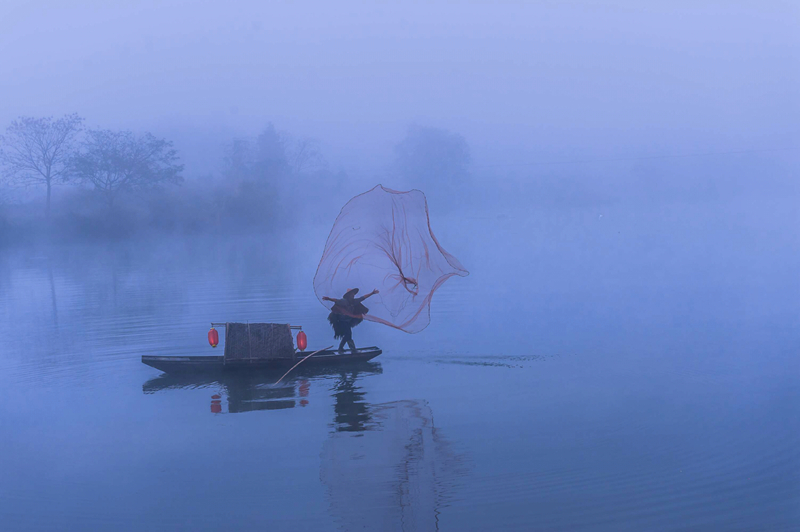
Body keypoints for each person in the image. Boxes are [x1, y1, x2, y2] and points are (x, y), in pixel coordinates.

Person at [322, 288, 379, 353]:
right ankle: (352, 349)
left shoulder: (354, 301)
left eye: (353, 294)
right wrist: (329, 298)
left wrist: (372, 293)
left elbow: (363, 297)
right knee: (348, 334)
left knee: (347, 335)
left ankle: (341, 348)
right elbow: (336, 300)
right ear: (348, 295)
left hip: (347, 321)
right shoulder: (344, 301)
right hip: (341, 321)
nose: (353, 295)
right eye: (352, 294)